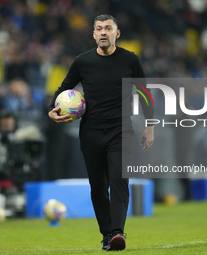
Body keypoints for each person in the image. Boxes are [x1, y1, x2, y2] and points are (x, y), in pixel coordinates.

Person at [48, 14, 154, 251]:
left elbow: (145, 93)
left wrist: (150, 125)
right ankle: (106, 234)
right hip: (91, 132)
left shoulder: (130, 60)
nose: (103, 32)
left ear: (117, 34)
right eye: (99, 29)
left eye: (108, 28)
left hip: (122, 130)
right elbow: (63, 89)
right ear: (94, 34)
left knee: (119, 180)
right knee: (98, 187)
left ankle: (118, 232)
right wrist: (51, 111)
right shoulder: (82, 62)